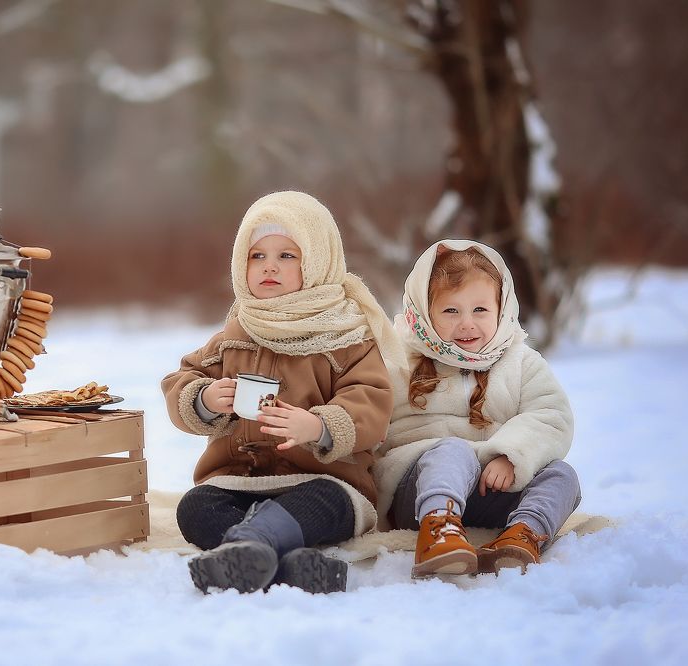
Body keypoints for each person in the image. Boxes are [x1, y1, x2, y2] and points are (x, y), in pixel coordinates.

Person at [162, 191, 402, 594]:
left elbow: (371, 399)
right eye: (257, 255)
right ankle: (287, 565)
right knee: (195, 508)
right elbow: (182, 378)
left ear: (318, 261)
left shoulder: (345, 335)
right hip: (240, 480)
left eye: (287, 256)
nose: (269, 266)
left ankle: (250, 545)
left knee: (327, 505)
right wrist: (204, 399)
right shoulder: (236, 333)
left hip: (322, 480)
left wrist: (318, 426)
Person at [373, 239, 581, 578]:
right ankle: (439, 530)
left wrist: (510, 455)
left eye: (480, 310)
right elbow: (367, 413)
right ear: (425, 312)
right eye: (451, 311)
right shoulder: (398, 360)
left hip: (492, 488)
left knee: (562, 475)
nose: (467, 323)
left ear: (502, 308)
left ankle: (521, 535)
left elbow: (551, 415)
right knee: (454, 451)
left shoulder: (521, 362)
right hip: (420, 492)